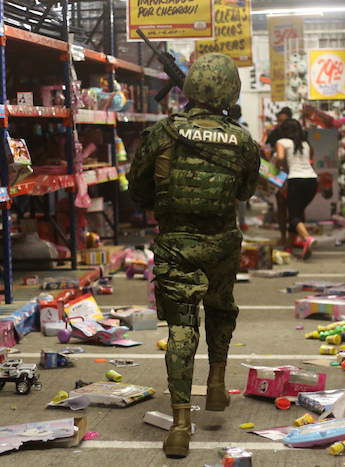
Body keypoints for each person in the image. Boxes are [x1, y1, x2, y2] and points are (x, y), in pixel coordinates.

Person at [128, 53, 261, 459]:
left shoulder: (163, 133)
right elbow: (246, 194)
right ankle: (217, 386)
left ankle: (181, 425)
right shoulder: (243, 140)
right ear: (230, 91)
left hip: (175, 245)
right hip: (222, 241)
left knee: (182, 330)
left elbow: (137, 190)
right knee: (222, 309)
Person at [275, 118, 318, 259]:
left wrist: (278, 166)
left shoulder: (282, 142)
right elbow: (311, 158)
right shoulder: (305, 144)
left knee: (293, 216)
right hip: (312, 181)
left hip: (296, 181)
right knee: (298, 213)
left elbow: (280, 158)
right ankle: (289, 246)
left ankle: (307, 238)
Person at [265, 107, 292, 245]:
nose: (281, 123)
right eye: (279, 120)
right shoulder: (274, 135)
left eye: (284, 120)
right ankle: (283, 235)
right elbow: (266, 151)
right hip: (278, 175)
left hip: (294, 175)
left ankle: (293, 236)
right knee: (281, 206)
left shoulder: (296, 134)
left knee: (294, 207)